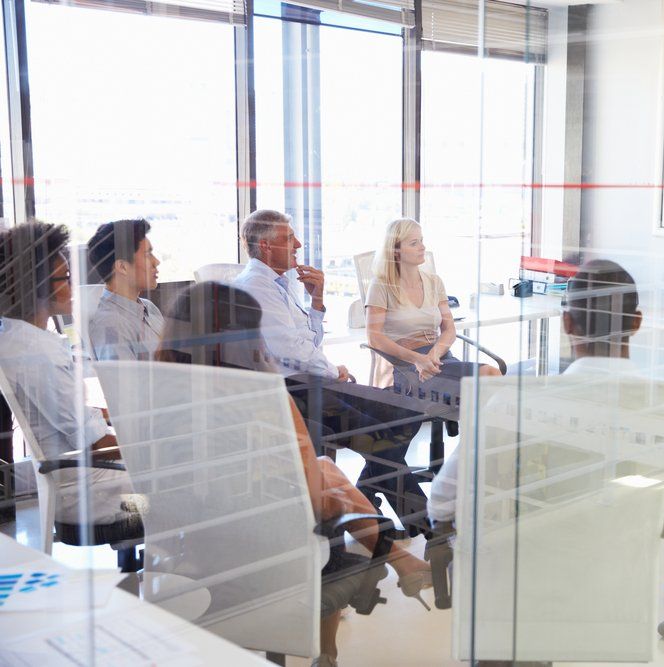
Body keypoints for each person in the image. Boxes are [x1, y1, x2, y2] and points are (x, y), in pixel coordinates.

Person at [155, 282, 432, 667]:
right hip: (259, 550)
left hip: (188, 545)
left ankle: (400, 559)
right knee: (327, 498)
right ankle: (330, 650)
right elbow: (311, 495)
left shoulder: (154, 392)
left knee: (325, 470)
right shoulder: (261, 396)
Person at [430, 259, 664, 525]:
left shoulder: (511, 406)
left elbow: (441, 503)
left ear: (566, 322)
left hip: (531, 561)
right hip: (624, 561)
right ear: (637, 322)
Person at [233, 209, 429, 537]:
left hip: (313, 381)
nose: (298, 244)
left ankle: (366, 499)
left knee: (405, 415)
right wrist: (334, 370)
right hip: (293, 390)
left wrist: (317, 301)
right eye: (288, 238)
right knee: (382, 437)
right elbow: (293, 352)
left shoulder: (278, 284)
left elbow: (308, 341)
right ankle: (420, 525)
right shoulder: (257, 286)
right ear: (266, 246)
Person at [0, 221, 133, 527]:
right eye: (66, 278)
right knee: (187, 483)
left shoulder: (13, 337)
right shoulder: (39, 354)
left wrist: (118, 416)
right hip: (96, 493)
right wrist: (154, 444)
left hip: (70, 478)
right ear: (37, 286)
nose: (73, 288)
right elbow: (95, 443)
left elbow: (70, 415)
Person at [366, 218, 502, 391]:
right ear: (396, 251)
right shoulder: (381, 285)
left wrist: (432, 356)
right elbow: (374, 337)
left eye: (421, 241)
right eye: (414, 243)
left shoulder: (434, 282)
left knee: (490, 384)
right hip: (407, 366)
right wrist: (417, 359)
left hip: (439, 358)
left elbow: (449, 329)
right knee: (490, 377)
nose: (422, 247)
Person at [86, 219, 164, 360]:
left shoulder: (149, 307)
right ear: (122, 267)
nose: (156, 262)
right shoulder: (110, 324)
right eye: (148, 255)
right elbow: (122, 381)